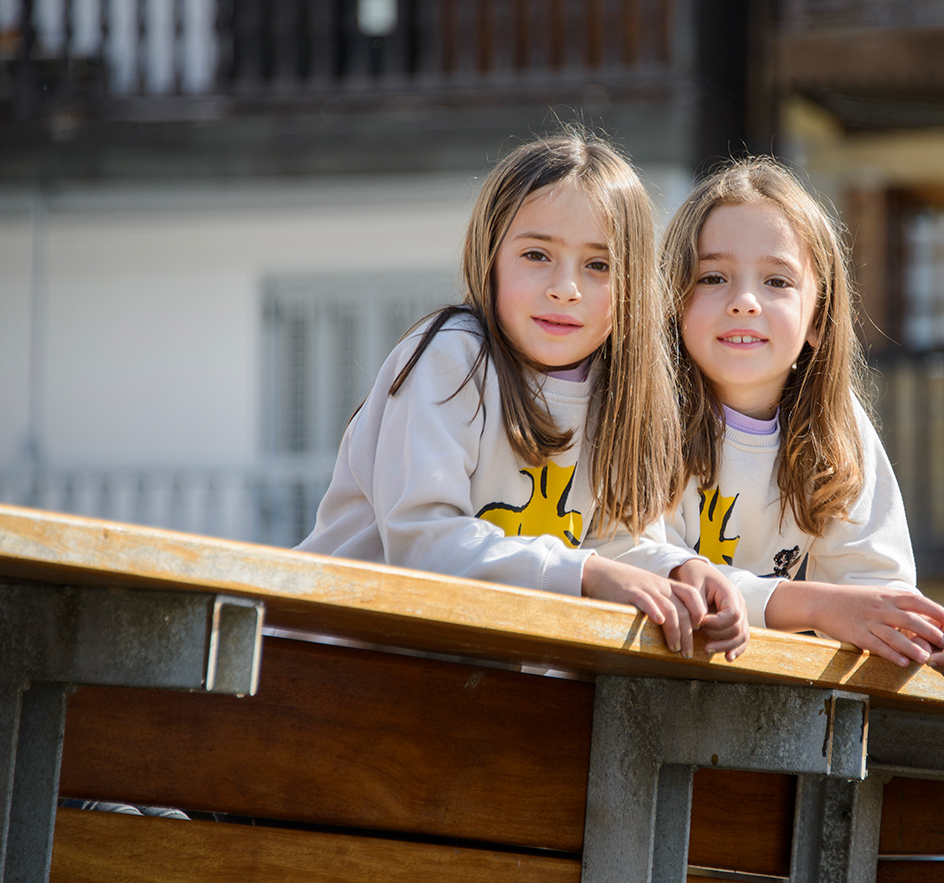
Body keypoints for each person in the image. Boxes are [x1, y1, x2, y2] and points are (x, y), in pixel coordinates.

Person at [297, 130, 747, 660]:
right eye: (537, 254)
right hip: (331, 658)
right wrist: (586, 573)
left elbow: (616, 547)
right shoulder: (450, 357)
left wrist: (680, 569)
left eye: (598, 265)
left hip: (481, 680)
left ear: (632, 285)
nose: (565, 288)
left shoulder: (621, 392)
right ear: (488, 255)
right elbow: (422, 544)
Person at [663, 157, 944, 680]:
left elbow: (871, 585)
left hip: (745, 695)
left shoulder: (834, 424)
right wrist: (814, 606)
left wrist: (928, 627)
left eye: (777, 281)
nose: (745, 301)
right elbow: (651, 566)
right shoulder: (641, 412)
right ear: (673, 300)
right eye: (713, 277)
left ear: (818, 319)